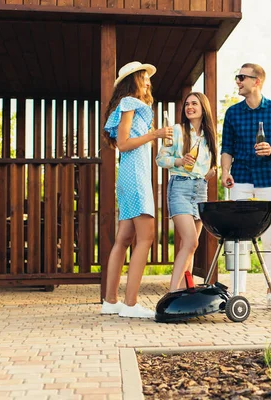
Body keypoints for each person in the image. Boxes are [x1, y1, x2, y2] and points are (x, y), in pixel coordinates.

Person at [100, 61, 173, 319]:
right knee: (146, 237)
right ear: (133, 80)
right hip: (135, 177)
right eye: (144, 78)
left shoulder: (132, 105)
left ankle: (111, 301)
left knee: (124, 239)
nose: (149, 82)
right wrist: (155, 134)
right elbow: (123, 142)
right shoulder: (130, 103)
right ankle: (130, 305)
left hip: (133, 175)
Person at [221, 63, 271, 309]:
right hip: (239, 178)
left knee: (270, 239)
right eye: (237, 76)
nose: (237, 81)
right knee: (237, 237)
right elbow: (227, 148)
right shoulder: (232, 113)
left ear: (257, 81)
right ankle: (237, 291)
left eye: (241, 77)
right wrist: (225, 172)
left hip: (269, 179)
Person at [156, 92, 218, 292]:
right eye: (187, 104)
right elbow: (160, 159)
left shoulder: (209, 136)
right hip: (180, 187)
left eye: (194, 104)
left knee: (190, 247)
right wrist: (179, 161)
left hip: (200, 189)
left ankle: (185, 291)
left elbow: (212, 165)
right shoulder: (177, 130)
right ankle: (173, 292)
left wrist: (210, 173)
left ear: (203, 107)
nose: (189, 107)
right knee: (191, 242)